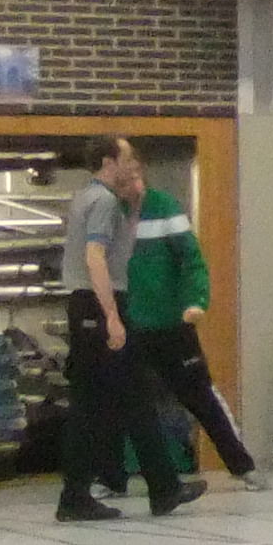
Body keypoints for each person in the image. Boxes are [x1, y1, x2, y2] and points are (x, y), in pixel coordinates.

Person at [56, 138, 196, 525]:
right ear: (109, 161)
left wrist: (135, 204)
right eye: (127, 158)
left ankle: (157, 487)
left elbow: (120, 250)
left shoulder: (94, 198)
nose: (133, 164)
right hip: (97, 305)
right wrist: (112, 316)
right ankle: (149, 488)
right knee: (112, 399)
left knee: (119, 398)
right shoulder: (101, 202)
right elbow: (96, 258)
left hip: (92, 305)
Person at [123, 172, 262, 491]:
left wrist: (196, 300)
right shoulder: (109, 211)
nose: (131, 184)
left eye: (135, 175)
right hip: (130, 325)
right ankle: (111, 476)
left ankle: (242, 465)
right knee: (121, 400)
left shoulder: (165, 207)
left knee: (200, 395)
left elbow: (191, 258)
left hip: (173, 324)